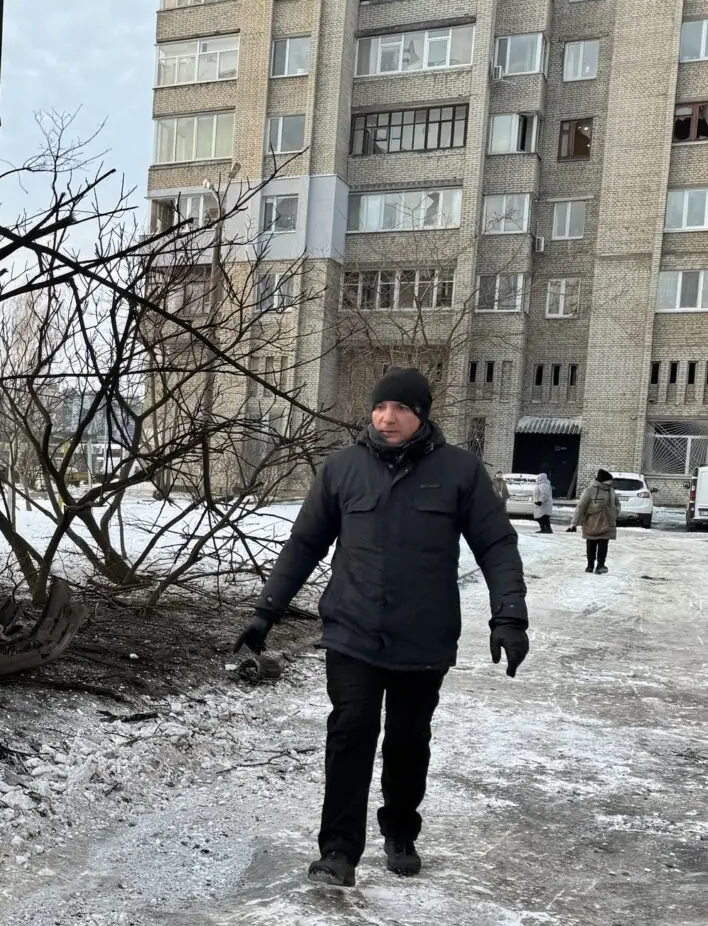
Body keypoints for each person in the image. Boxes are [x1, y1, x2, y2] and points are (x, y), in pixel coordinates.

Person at [236, 368, 528, 887]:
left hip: (424, 634)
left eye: (401, 409)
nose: (387, 417)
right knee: (350, 732)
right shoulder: (343, 469)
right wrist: (266, 612)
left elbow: (496, 545)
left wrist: (509, 615)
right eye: (380, 407)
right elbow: (305, 543)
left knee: (408, 740)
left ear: (422, 416)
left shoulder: (459, 471)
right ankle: (338, 851)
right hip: (353, 629)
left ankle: (400, 830)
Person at [573, 469, 620, 574]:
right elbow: (580, 507)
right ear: (603, 481)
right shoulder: (589, 490)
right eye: (609, 480)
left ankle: (600, 565)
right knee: (591, 543)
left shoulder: (611, 490)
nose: (611, 482)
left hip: (607, 522)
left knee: (604, 544)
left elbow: (617, 503)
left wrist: (615, 512)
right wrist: (574, 523)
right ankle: (590, 566)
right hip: (592, 521)